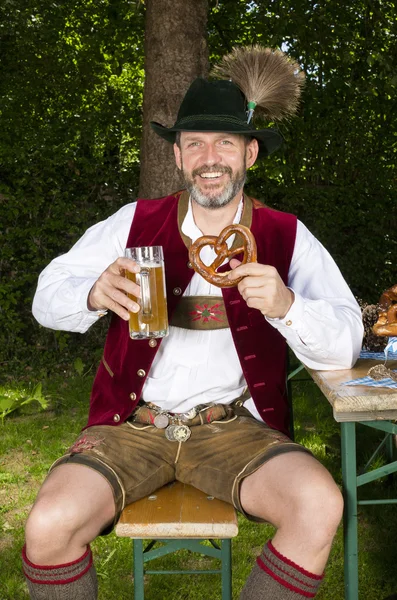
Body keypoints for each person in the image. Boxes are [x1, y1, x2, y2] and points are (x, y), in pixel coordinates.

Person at [23, 47, 363, 600]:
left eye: (225, 143)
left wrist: (288, 306)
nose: (210, 157)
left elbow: (346, 342)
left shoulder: (285, 235)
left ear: (249, 154)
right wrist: (91, 293)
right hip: (134, 426)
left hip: (234, 429)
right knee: (48, 524)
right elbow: (44, 297)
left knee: (320, 503)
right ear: (178, 158)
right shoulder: (132, 224)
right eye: (195, 144)